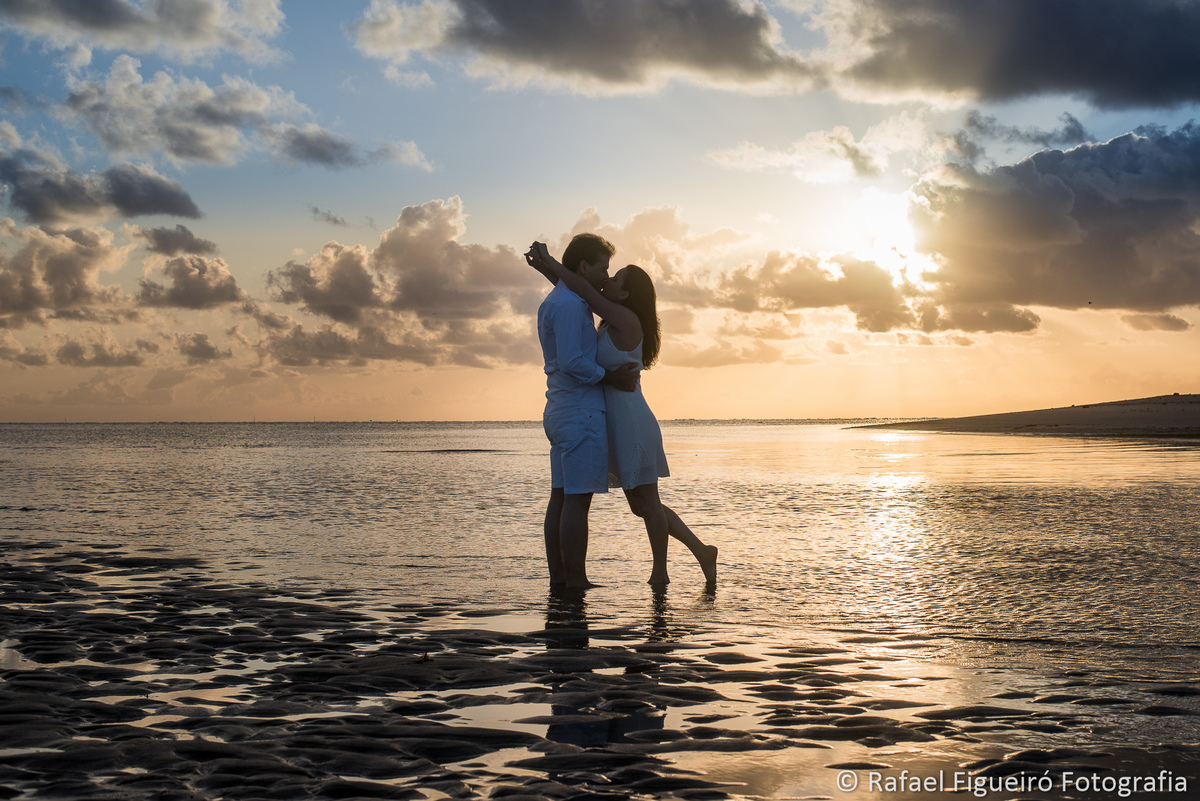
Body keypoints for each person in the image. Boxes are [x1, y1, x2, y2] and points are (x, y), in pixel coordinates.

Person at [528, 240, 718, 586]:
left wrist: (550, 262)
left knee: (648, 502)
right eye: (607, 271)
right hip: (610, 420)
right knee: (640, 505)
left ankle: (660, 574)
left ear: (626, 294)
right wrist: (547, 270)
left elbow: (583, 290)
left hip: (630, 420)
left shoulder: (626, 320)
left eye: (614, 278)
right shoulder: (603, 316)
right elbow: (576, 293)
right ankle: (702, 551)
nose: (608, 279)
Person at [534, 233, 639, 589]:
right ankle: (575, 580)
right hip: (579, 411)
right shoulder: (569, 305)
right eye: (603, 268)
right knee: (577, 502)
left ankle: (560, 579)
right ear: (583, 267)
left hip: (562, 409)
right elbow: (572, 361)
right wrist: (611, 377)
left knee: (561, 498)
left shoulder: (561, 299)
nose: (605, 276)